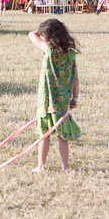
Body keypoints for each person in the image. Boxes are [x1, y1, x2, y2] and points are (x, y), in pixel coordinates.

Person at [28, 19, 80, 172]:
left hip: (47, 99)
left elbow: (31, 34)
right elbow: (75, 78)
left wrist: (40, 33)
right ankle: (65, 166)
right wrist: (75, 98)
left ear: (48, 37)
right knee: (62, 134)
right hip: (63, 100)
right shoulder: (70, 54)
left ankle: (41, 165)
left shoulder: (48, 49)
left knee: (44, 133)